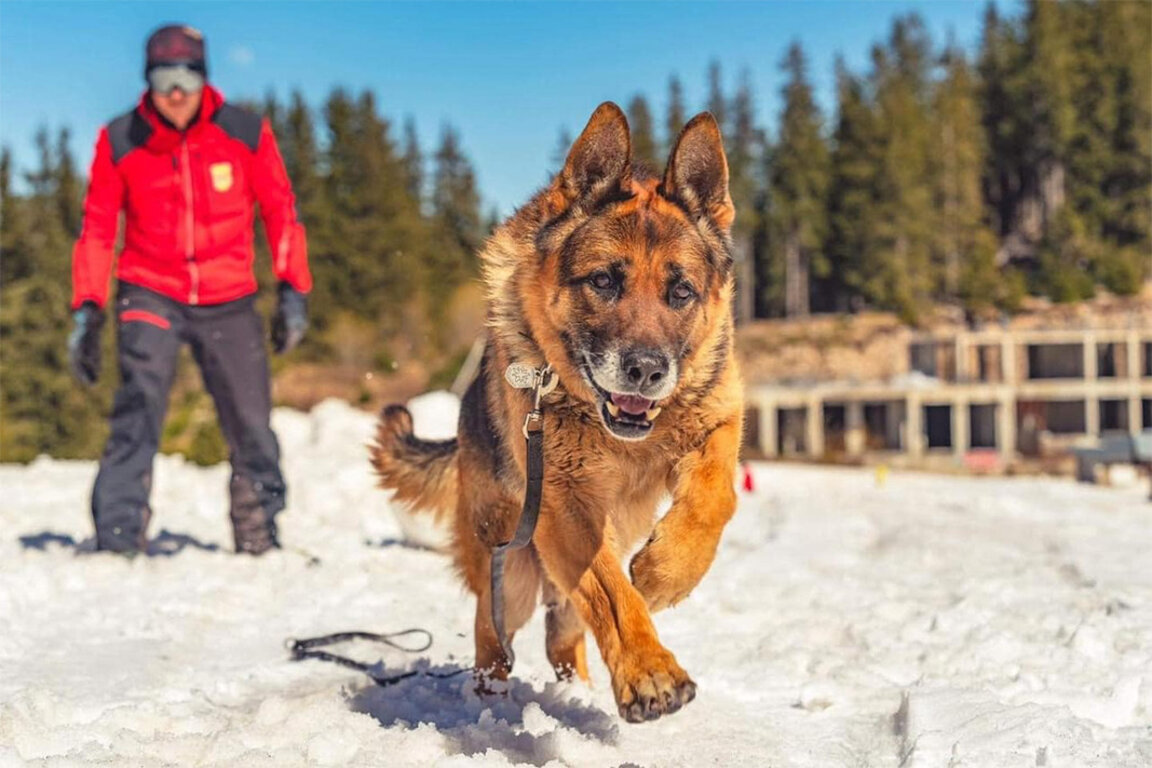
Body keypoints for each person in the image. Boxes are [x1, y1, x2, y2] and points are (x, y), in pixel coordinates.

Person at [68, 24, 311, 556]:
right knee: (140, 404)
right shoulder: (121, 138)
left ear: (204, 79)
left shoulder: (245, 132)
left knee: (250, 418)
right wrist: (87, 306)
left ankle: (259, 531)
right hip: (149, 288)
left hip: (229, 295)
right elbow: (98, 226)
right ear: (147, 83)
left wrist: (293, 287)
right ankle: (118, 534)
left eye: (186, 76)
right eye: (162, 78)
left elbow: (281, 210)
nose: (175, 91)